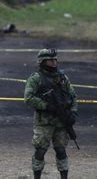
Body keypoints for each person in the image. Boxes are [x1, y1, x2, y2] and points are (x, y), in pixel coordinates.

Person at [24, 48, 78, 179]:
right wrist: (47, 106)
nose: (54, 63)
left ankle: (64, 176)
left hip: (61, 121)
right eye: (50, 60)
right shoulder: (36, 78)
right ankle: (37, 176)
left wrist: (73, 113)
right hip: (44, 122)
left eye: (55, 60)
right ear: (42, 62)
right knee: (40, 151)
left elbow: (73, 96)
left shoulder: (62, 78)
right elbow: (28, 98)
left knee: (61, 150)